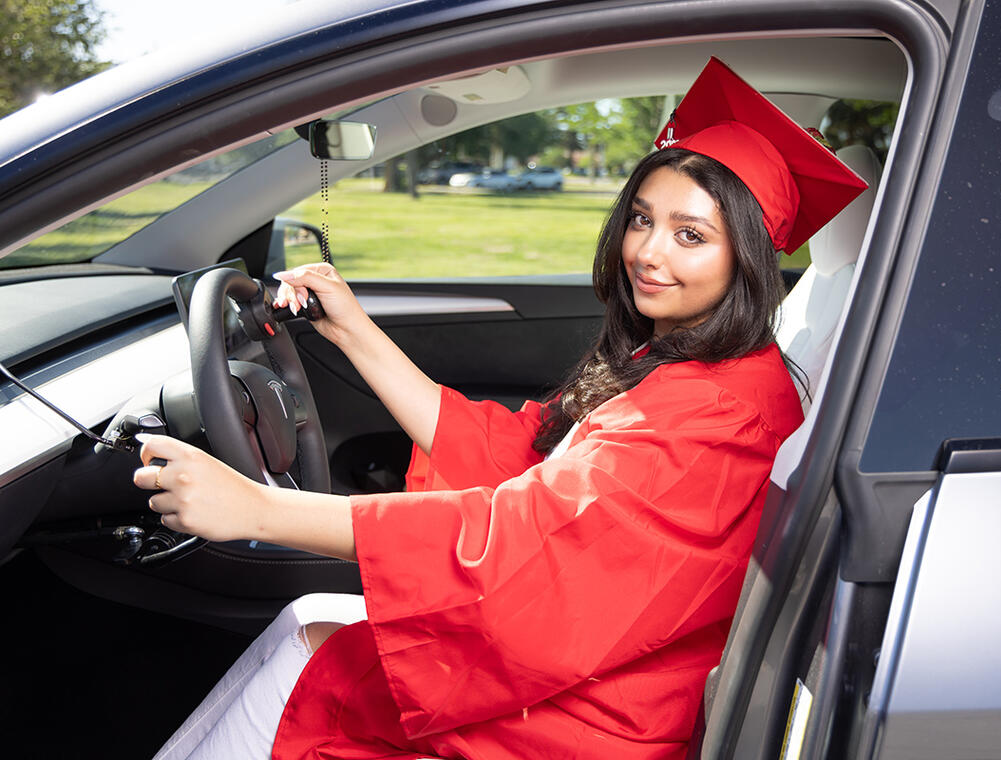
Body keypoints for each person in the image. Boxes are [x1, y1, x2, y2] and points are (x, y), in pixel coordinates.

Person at [138, 57, 867, 760]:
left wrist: (258, 511)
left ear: (749, 260)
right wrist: (354, 331)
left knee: (306, 679)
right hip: (604, 672)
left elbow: (515, 540)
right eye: (642, 219)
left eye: (691, 236)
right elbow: (523, 454)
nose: (648, 253)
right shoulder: (690, 362)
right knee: (302, 627)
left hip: (598, 715)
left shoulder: (715, 413)